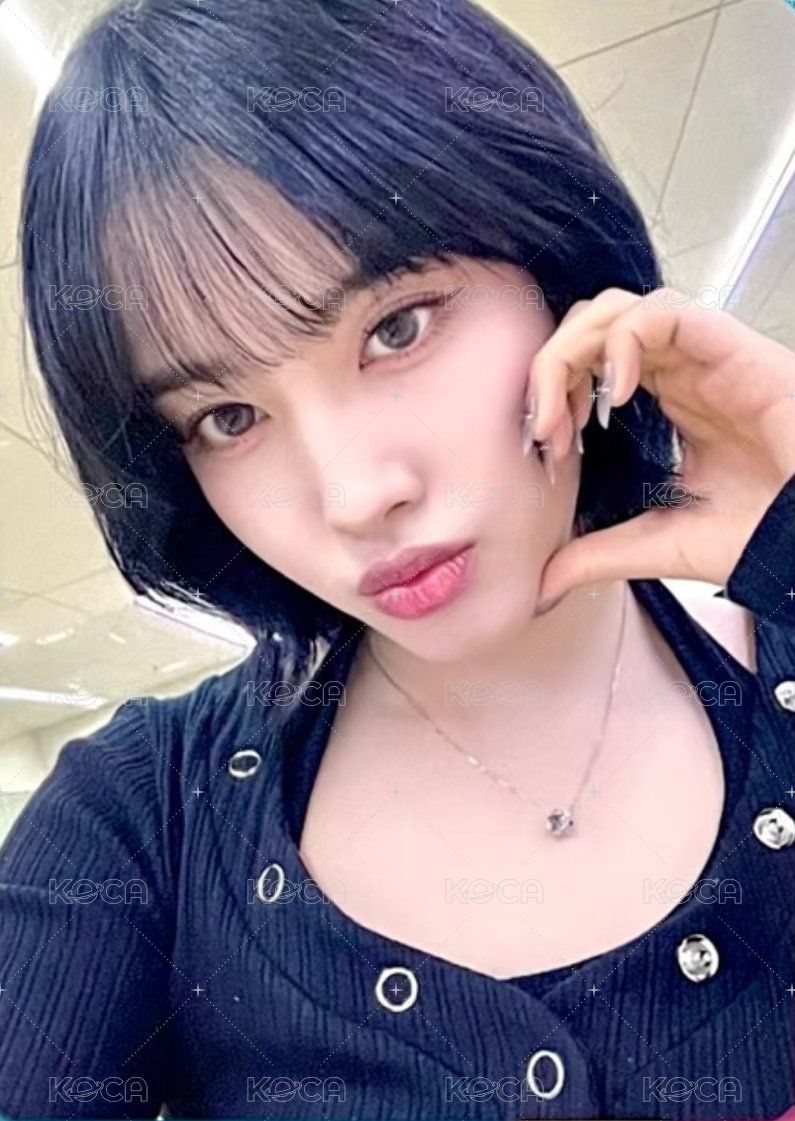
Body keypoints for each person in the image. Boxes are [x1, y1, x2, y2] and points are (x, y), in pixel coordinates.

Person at [2, 0, 795, 1116]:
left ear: (556, 272)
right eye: (228, 417)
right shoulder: (144, 821)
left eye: (398, 327)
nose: (353, 495)